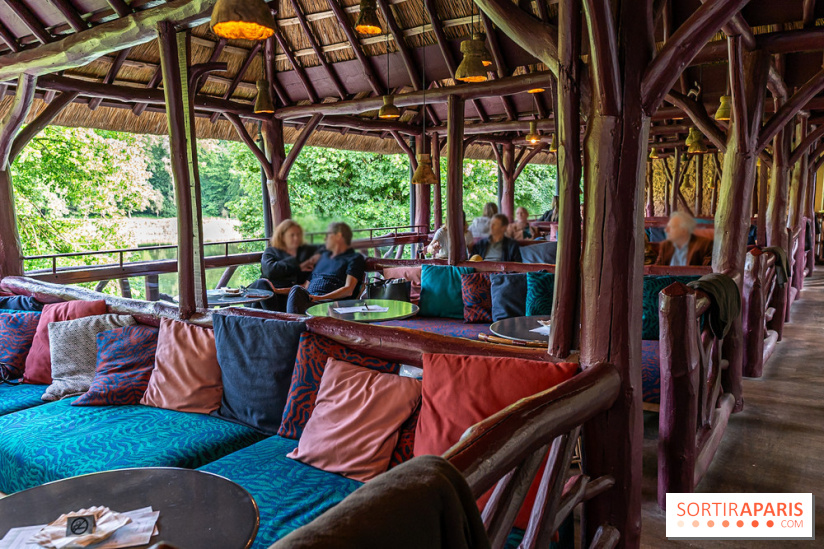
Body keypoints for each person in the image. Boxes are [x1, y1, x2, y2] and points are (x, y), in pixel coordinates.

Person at [279, 222, 366, 314]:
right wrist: (276, 290)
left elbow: (348, 290)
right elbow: (305, 286)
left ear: (338, 236)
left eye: (328, 235)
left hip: (328, 305)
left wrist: (320, 298)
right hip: (309, 300)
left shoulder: (354, 258)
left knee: (295, 292)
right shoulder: (324, 257)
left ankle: (290, 323)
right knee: (276, 293)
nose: (325, 238)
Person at [248, 220, 320, 311]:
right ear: (282, 237)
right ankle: (275, 318)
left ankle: (275, 318)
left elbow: (308, 282)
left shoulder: (307, 254)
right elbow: (270, 271)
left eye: (298, 234)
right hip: (269, 296)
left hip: (292, 297)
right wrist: (298, 263)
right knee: (261, 284)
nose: (296, 238)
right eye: (292, 235)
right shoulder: (271, 252)